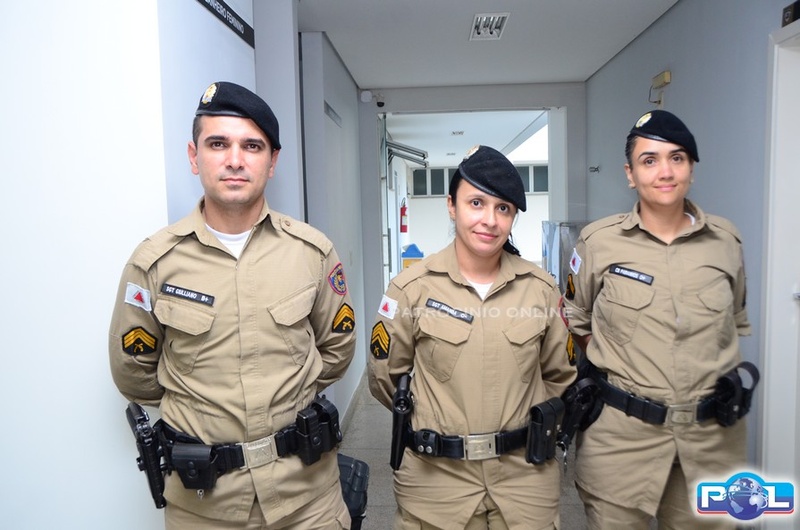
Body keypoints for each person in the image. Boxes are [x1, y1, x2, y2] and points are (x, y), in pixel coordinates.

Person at [109, 81, 357, 529]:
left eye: (252, 146)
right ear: (194, 156)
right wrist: (204, 413)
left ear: (273, 161)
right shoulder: (154, 264)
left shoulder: (312, 253)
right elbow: (134, 373)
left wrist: (290, 397)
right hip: (205, 506)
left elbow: (337, 349)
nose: (235, 160)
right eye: (218, 144)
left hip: (308, 499)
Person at [563, 110, 756, 529]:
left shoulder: (726, 242)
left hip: (710, 442)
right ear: (630, 174)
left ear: (692, 168)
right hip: (621, 441)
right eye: (649, 160)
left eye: (677, 158)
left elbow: (734, 320)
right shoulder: (599, 242)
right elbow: (576, 318)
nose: (665, 172)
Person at [368, 145, 577, 529]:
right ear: (452, 206)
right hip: (437, 481)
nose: (490, 220)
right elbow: (385, 379)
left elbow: (561, 376)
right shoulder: (411, 289)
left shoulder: (541, 290)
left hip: (523, 478)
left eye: (503, 208)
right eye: (476, 203)